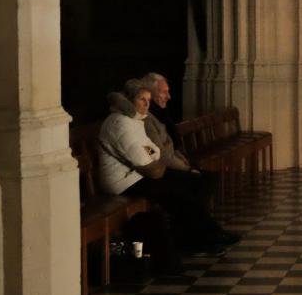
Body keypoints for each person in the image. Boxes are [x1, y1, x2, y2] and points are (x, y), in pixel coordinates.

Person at [98, 79, 236, 255]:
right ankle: (206, 237)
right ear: (129, 100)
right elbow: (148, 164)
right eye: (142, 99)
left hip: (138, 174)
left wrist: (151, 156)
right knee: (178, 194)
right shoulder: (121, 123)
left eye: (149, 100)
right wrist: (151, 156)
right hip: (124, 182)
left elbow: (153, 151)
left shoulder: (134, 120)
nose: (147, 104)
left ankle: (195, 238)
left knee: (195, 181)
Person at [140, 72, 191, 171]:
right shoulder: (146, 120)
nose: (169, 97)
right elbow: (156, 154)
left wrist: (181, 158)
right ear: (149, 94)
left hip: (170, 164)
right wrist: (186, 169)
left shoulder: (161, 114)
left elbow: (170, 144)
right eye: (163, 92)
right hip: (161, 169)